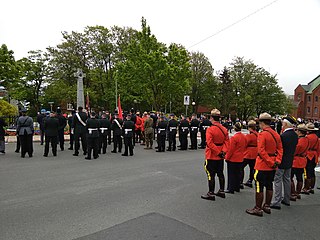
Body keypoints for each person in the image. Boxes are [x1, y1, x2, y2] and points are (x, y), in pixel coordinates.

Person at [246, 112, 283, 217]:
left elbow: (261, 151)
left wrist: (270, 162)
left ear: (262, 123)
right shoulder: (276, 134)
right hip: (273, 163)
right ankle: (267, 205)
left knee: (259, 187)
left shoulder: (262, 134)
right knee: (269, 185)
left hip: (263, 164)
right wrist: (277, 161)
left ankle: (258, 208)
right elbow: (280, 149)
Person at [201, 109, 229, 201]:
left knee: (210, 174)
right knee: (220, 173)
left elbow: (209, 143)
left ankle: (211, 193)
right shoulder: (224, 129)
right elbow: (227, 142)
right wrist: (223, 152)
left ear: (212, 118)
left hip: (212, 155)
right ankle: (221, 190)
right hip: (220, 155)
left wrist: (217, 152)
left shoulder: (210, 129)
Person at [271, 115, 298, 209]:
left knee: (278, 180)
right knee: (287, 180)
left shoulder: (283, 136)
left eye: (282, 124)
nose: (282, 125)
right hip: (289, 160)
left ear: (285, 124)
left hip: (281, 161)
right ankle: (287, 198)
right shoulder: (295, 135)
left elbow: (279, 149)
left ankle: (276, 201)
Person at [225, 122, 246, 194]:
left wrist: (227, 157)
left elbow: (231, 149)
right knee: (237, 173)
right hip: (240, 157)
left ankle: (231, 188)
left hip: (233, 158)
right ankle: (237, 187)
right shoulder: (244, 136)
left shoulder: (234, 138)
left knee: (231, 174)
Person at [291, 124, 309, 200]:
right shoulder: (306, 140)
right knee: (299, 178)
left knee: (290, 178)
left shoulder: (299, 141)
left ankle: (293, 193)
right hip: (302, 160)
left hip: (296, 161)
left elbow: (294, 151)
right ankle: (298, 192)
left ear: (300, 132)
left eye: (297, 130)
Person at [301, 123, 320, 194]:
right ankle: (311, 187)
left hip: (308, 155)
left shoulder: (307, 137)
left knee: (307, 172)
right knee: (312, 172)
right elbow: (318, 148)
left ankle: (306, 187)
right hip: (314, 155)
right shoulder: (317, 138)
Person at [241, 120, 258, 188]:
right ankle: (250, 180)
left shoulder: (249, 136)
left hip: (248, 153)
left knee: (241, 167)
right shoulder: (258, 134)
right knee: (252, 168)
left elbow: (245, 144)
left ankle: (240, 181)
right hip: (255, 153)